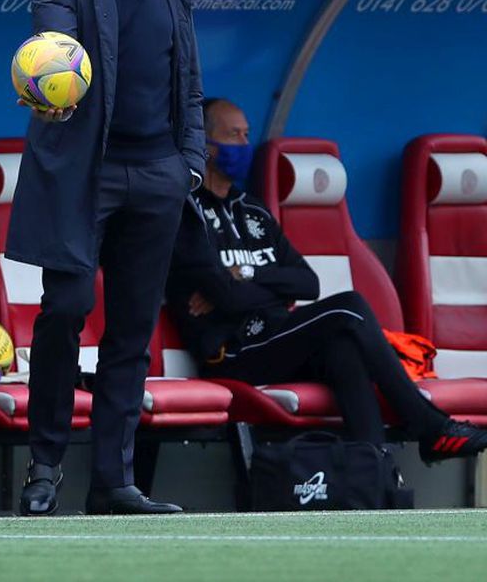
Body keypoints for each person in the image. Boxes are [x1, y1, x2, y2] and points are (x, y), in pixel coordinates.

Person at [6, 0, 204, 516]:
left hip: (158, 175)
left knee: (132, 330)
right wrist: (51, 92)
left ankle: (114, 481)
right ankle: (45, 467)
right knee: (64, 309)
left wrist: (189, 163)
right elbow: (53, 48)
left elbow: (189, 81)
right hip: (82, 176)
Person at [165, 98, 487, 460]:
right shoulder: (188, 215)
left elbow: (307, 283)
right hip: (234, 352)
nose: (244, 145)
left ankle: (372, 471)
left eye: (247, 135)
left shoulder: (254, 211)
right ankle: (428, 426)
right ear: (206, 146)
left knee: (343, 349)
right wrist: (262, 290)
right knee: (349, 307)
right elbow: (229, 298)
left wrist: (249, 275)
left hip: (279, 336)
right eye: (233, 136)